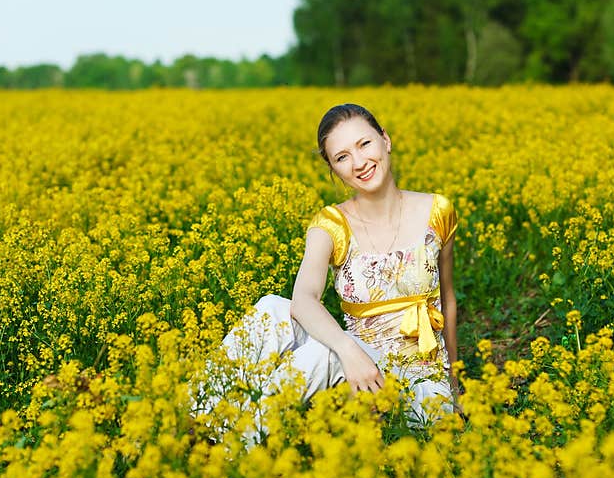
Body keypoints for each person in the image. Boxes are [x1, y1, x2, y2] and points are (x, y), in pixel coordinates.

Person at [192, 103, 461, 444]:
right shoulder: (332, 224)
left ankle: (229, 448)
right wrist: (350, 352)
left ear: (385, 141)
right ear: (333, 169)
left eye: (365, 144)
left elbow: (448, 301)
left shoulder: (438, 211)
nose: (359, 163)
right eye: (342, 157)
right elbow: (302, 300)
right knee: (273, 307)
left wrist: (455, 386)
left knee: (325, 351)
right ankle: (195, 420)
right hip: (355, 366)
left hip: (418, 381)